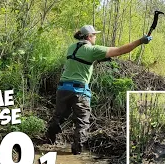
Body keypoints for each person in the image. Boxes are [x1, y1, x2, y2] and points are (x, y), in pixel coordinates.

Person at [46, 25, 152, 155]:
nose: (96, 37)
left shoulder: (71, 48)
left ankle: (49, 140)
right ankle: (76, 153)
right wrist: (140, 41)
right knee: (82, 123)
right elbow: (120, 50)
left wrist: (98, 59)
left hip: (63, 89)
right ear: (89, 37)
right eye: (94, 35)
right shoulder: (92, 50)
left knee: (59, 117)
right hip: (79, 91)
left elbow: (80, 61)